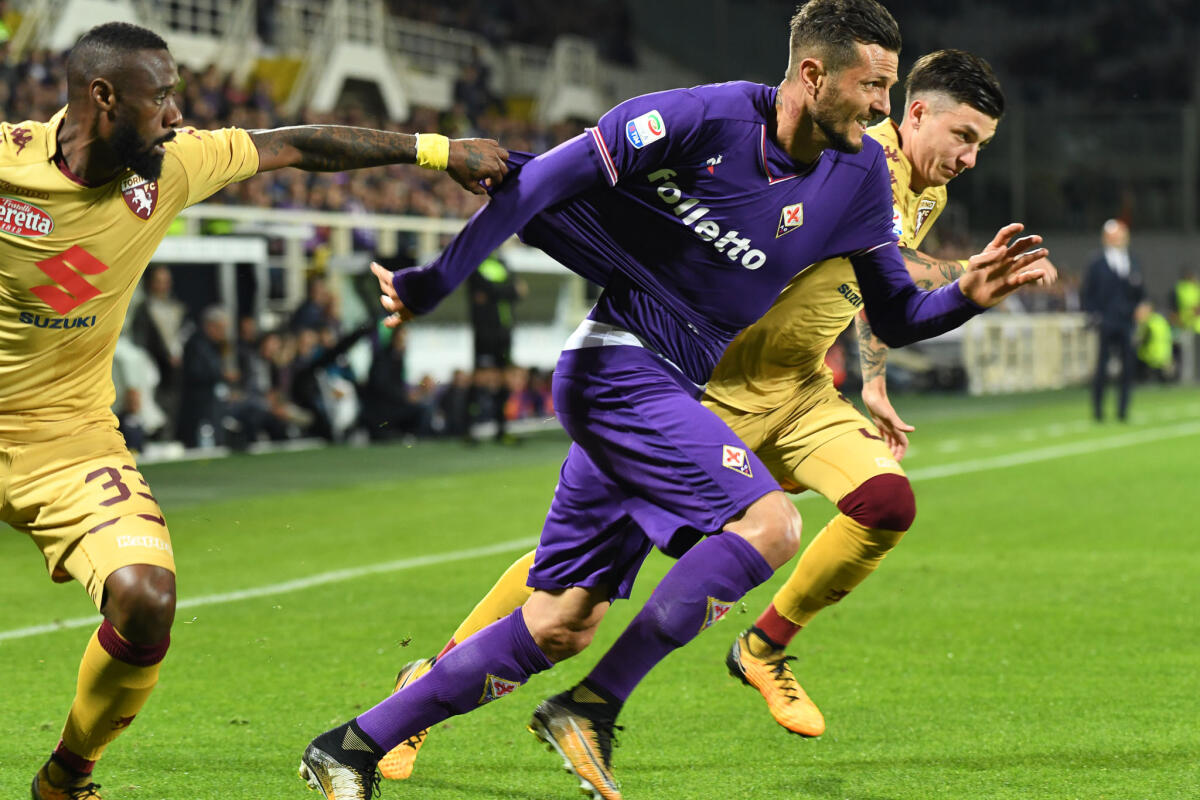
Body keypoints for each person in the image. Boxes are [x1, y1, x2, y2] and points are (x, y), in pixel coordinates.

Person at [299, 3, 1049, 798]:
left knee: (562, 620)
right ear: (813, 74)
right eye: (874, 88)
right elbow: (541, 183)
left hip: (708, 385)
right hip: (623, 368)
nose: (880, 108)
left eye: (889, 90)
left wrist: (967, 291)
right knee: (769, 524)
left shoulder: (859, 174)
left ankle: (351, 743)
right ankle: (596, 706)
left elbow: (891, 310)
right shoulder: (703, 116)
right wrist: (436, 280)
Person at [0, 21, 508, 800]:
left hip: (67, 441)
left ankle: (66, 778)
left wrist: (435, 151)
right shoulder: (7, 162)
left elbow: (300, 144)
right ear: (104, 96)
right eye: (161, 96)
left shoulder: (170, 167)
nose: (177, 114)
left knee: (146, 598)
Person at [1082, 218, 1144, 421]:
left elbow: (1140, 292)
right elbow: (1088, 294)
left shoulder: (1132, 261)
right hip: (1106, 320)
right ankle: (1098, 411)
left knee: (1128, 368)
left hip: (1126, 321)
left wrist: (1142, 305)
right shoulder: (1097, 263)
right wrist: (1095, 315)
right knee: (1102, 368)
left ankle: (1123, 411)